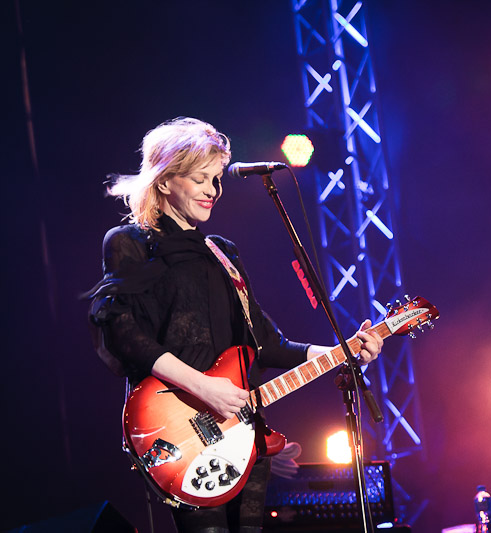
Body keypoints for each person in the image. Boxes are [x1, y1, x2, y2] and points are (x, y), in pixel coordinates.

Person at [87, 117, 383, 533]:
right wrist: (204, 386)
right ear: (166, 180)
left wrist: (340, 354)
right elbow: (123, 334)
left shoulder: (223, 253)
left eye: (215, 179)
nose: (213, 190)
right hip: (179, 429)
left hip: (243, 432)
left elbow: (266, 342)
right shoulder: (129, 242)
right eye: (199, 179)